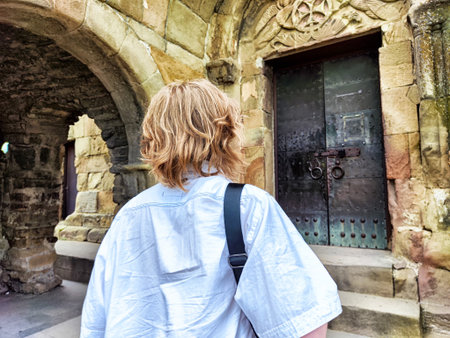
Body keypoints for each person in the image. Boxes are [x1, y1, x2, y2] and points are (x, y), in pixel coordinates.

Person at [80, 79, 342, 337]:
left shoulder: (129, 215)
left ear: (154, 138)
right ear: (224, 133)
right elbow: (305, 321)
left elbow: (96, 320)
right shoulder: (248, 206)